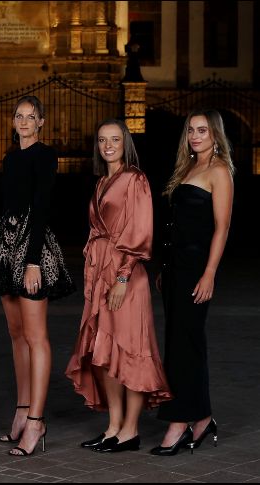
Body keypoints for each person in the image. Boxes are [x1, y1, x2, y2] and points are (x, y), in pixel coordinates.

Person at [64, 119, 171, 453]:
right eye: (101, 140)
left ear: (125, 142)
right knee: (101, 351)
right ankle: (113, 426)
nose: (108, 145)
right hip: (100, 273)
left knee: (131, 350)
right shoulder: (101, 181)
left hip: (126, 274)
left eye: (114, 139)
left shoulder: (135, 179)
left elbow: (141, 231)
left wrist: (123, 277)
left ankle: (131, 430)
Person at [0, 95, 75, 456]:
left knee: (36, 336)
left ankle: (37, 421)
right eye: (18, 116)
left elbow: (43, 207)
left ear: (41, 122)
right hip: (5, 246)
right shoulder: (11, 156)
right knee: (16, 335)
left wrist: (33, 260)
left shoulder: (45, 155)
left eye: (29, 117)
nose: (22, 121)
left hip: (32, 248)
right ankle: (21, 411)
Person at [151, 109, 234, 456]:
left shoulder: (219, 171)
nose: (195, 136)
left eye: (202, 130)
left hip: (196, 269)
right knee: (182, 343)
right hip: (174, 268)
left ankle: (180, 421)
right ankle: (201, 419)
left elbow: (222, 228)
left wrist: (210, 273)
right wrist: (165, 268)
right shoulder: (187, 167)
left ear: (215, 135)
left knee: (186, 346)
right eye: (191, 131)